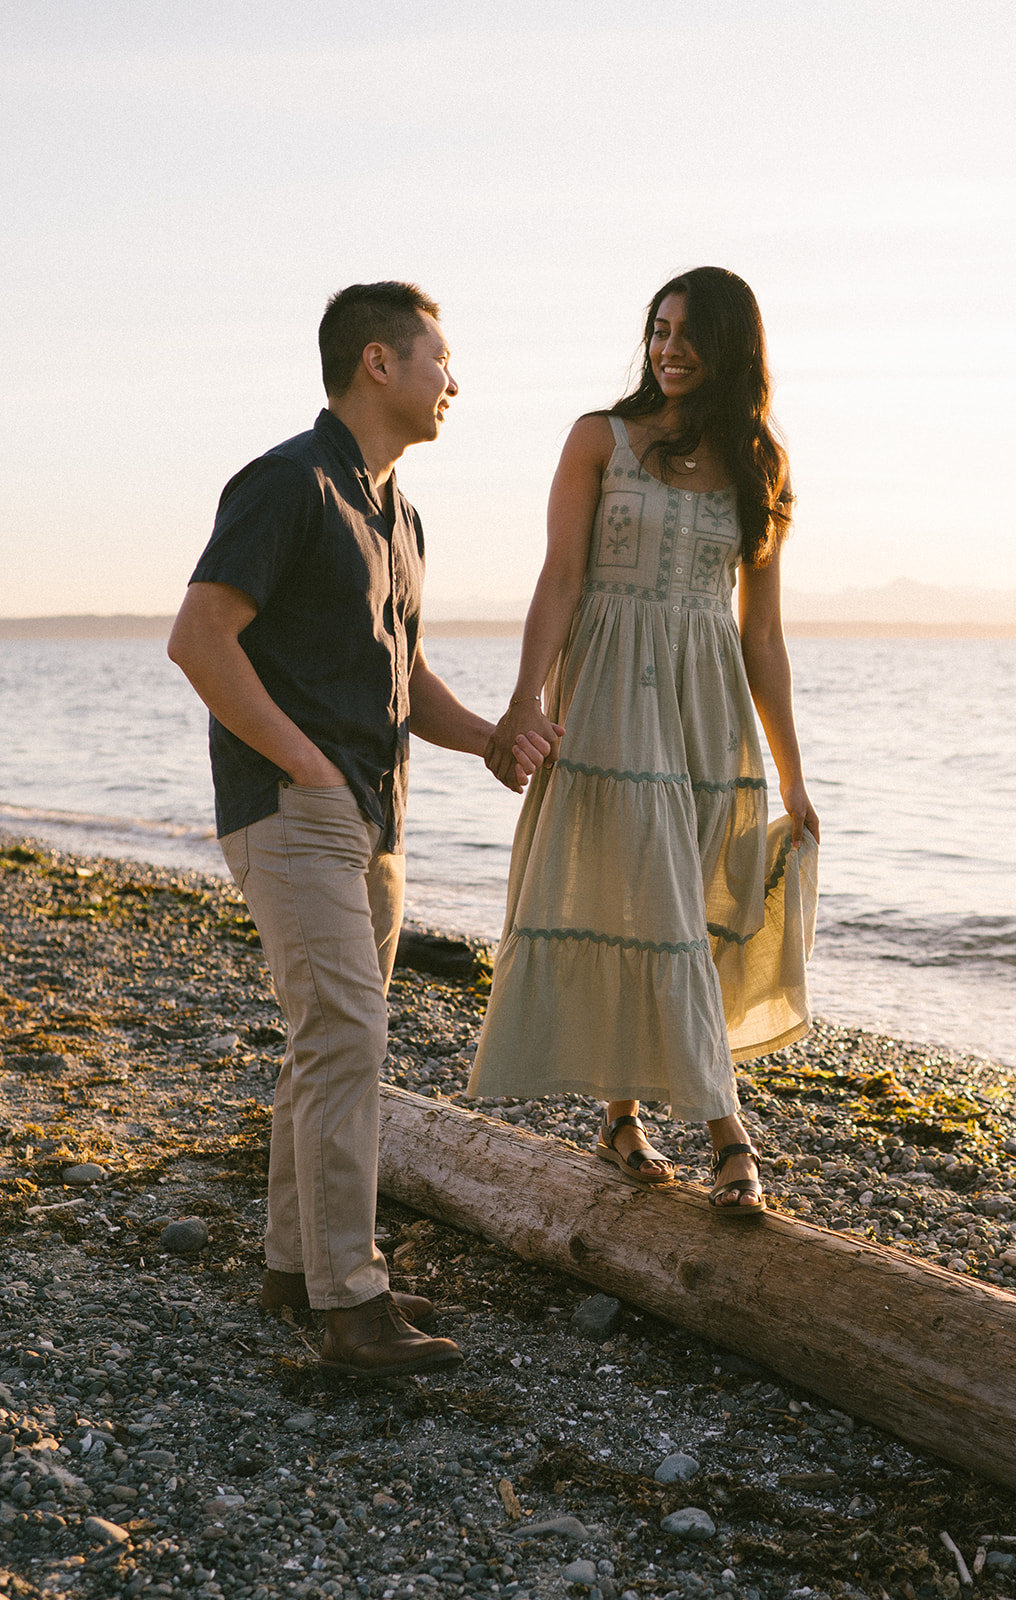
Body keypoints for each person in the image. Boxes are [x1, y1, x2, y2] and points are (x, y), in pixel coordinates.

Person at [168, 281, 549, 1376]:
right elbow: (199, 638)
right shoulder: (287, 482)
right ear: (377, 363)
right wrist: (303, 770)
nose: (453, 382)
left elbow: (403, 674)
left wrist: (484, 740)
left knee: (324, 1044)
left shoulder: (398, 513)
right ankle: (351, 1302)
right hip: (296, 811)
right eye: (440, 359)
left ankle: (298, 1265)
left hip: (372, 816)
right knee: (345, 1041)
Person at [470, 266, 819, 1216]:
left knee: (674, 908)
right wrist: (524, 702)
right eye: (657, 330)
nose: (667, 349)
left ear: (731, 346)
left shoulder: (760, 466)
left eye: (687, 333)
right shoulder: (602, 439)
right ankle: (728, 1134)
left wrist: (792, 773)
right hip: (613, 691)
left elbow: (764, 635)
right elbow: (560, 578)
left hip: (710, 703)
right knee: (655, 893)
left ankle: (620, 1114)